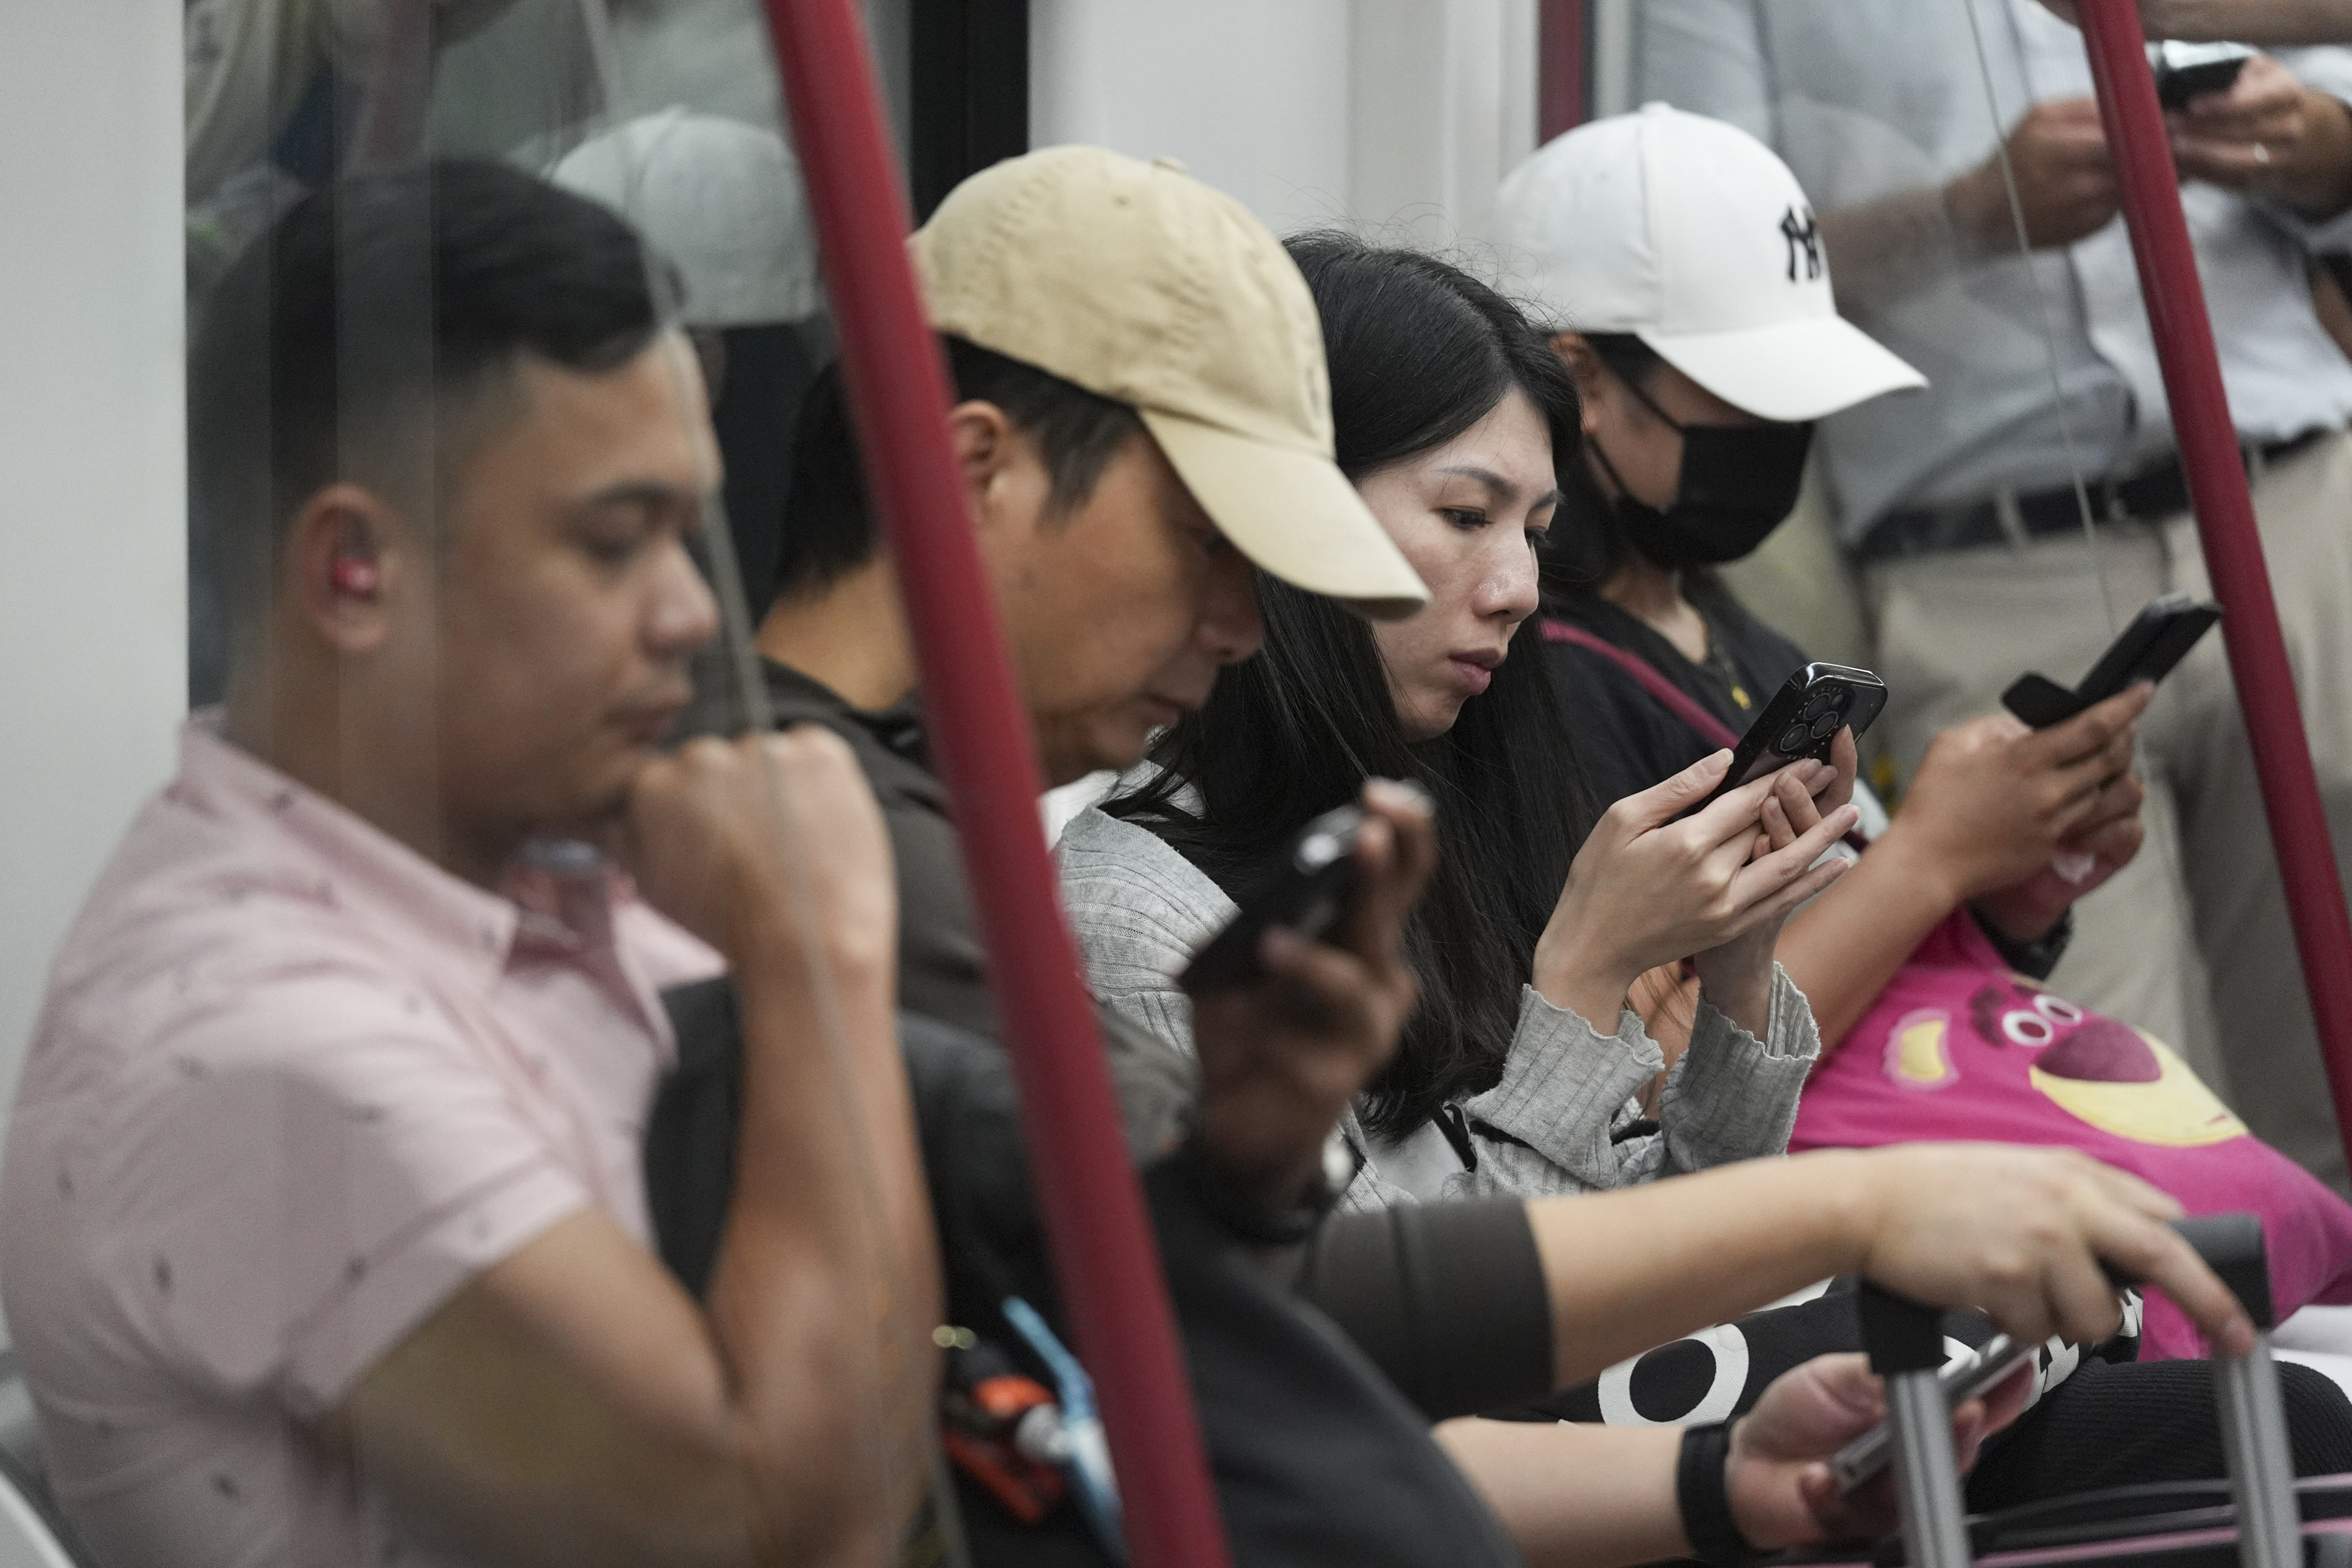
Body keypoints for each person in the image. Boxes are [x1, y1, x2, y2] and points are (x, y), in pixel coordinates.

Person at [654, 147, 2272, 1561]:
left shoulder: (1413, 801)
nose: (1239, 615)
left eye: (1532, 534)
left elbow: (1275, 1324)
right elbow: (1322, 1336)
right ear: (975, 470)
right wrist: (1838, 1204)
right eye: (1219, 539)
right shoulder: (917, 865)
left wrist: (1737, 1004)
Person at [0, 161, 944, 1567]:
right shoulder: (257, 1048)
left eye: (689, 535)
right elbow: (789, 1528)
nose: (693, 613)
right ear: (353, 574)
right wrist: (818, 959)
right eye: (616, 543)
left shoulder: (558, 878)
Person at [1503, 103, 2352, 1360]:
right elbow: (1656, 1067)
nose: (1774, 438)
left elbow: (1838, 937)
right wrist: (1930, 860)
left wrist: (2007, 888)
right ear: (1575, 380)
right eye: (1740, 394)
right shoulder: (1539, 684)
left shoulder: (1740, 641)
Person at [1639, 0, 2352, 1193]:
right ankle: (2185, 1381)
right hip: (1980, 561)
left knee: (2330, 1048)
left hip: (2293, 500)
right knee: (2093, 1109)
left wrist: (2323, 154)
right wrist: (1961, 215)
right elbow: (1688, 261)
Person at [1057, 233, 1857, 1209]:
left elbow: (1675, 1242)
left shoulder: (1445, 810)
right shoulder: (1139, 921)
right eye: (1469, 516)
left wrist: (1736, 967)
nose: (1521, 589)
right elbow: (1430, 1340)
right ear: (1287, 510)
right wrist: (1588, 973)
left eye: (1536, 532)